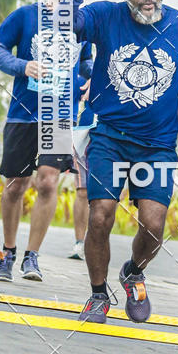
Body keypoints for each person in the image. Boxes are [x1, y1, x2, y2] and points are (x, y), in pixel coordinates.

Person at [66, 0, 178, 324]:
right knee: (100, 216)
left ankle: (133, 272)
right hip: (109, 137)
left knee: (154, 224)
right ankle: (99, 295)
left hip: (158, 145)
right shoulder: (104, 16)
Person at [0, 0, 93, 282]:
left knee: (47, 181)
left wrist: (88, 83)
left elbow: (87, 66)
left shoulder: (81, 25)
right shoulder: (25, 15)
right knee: (16, 185)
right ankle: (8, 252)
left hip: (60, 115)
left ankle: (32, 257)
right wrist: (23, 66)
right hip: (23, 113)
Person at [68, 74, 95, 261]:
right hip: (81, 134)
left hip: (110, 132)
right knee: (83, 191)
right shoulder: (80, 76)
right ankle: (79, 242)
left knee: (104, 196)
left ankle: (97, 241)